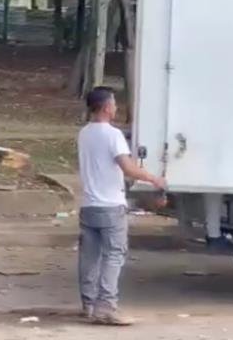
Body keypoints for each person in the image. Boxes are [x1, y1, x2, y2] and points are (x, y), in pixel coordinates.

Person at [77, 86, 166, 326]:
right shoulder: (113, 135)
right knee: (114, 255)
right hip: (110, 206)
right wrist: (154, 178)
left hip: (89, 205)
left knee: (90, 256)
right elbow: (128, 168)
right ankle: (106, 306)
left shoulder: (84, 133)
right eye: (114, 104)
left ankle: (88, 304)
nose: (116, 107)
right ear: (106, 108)